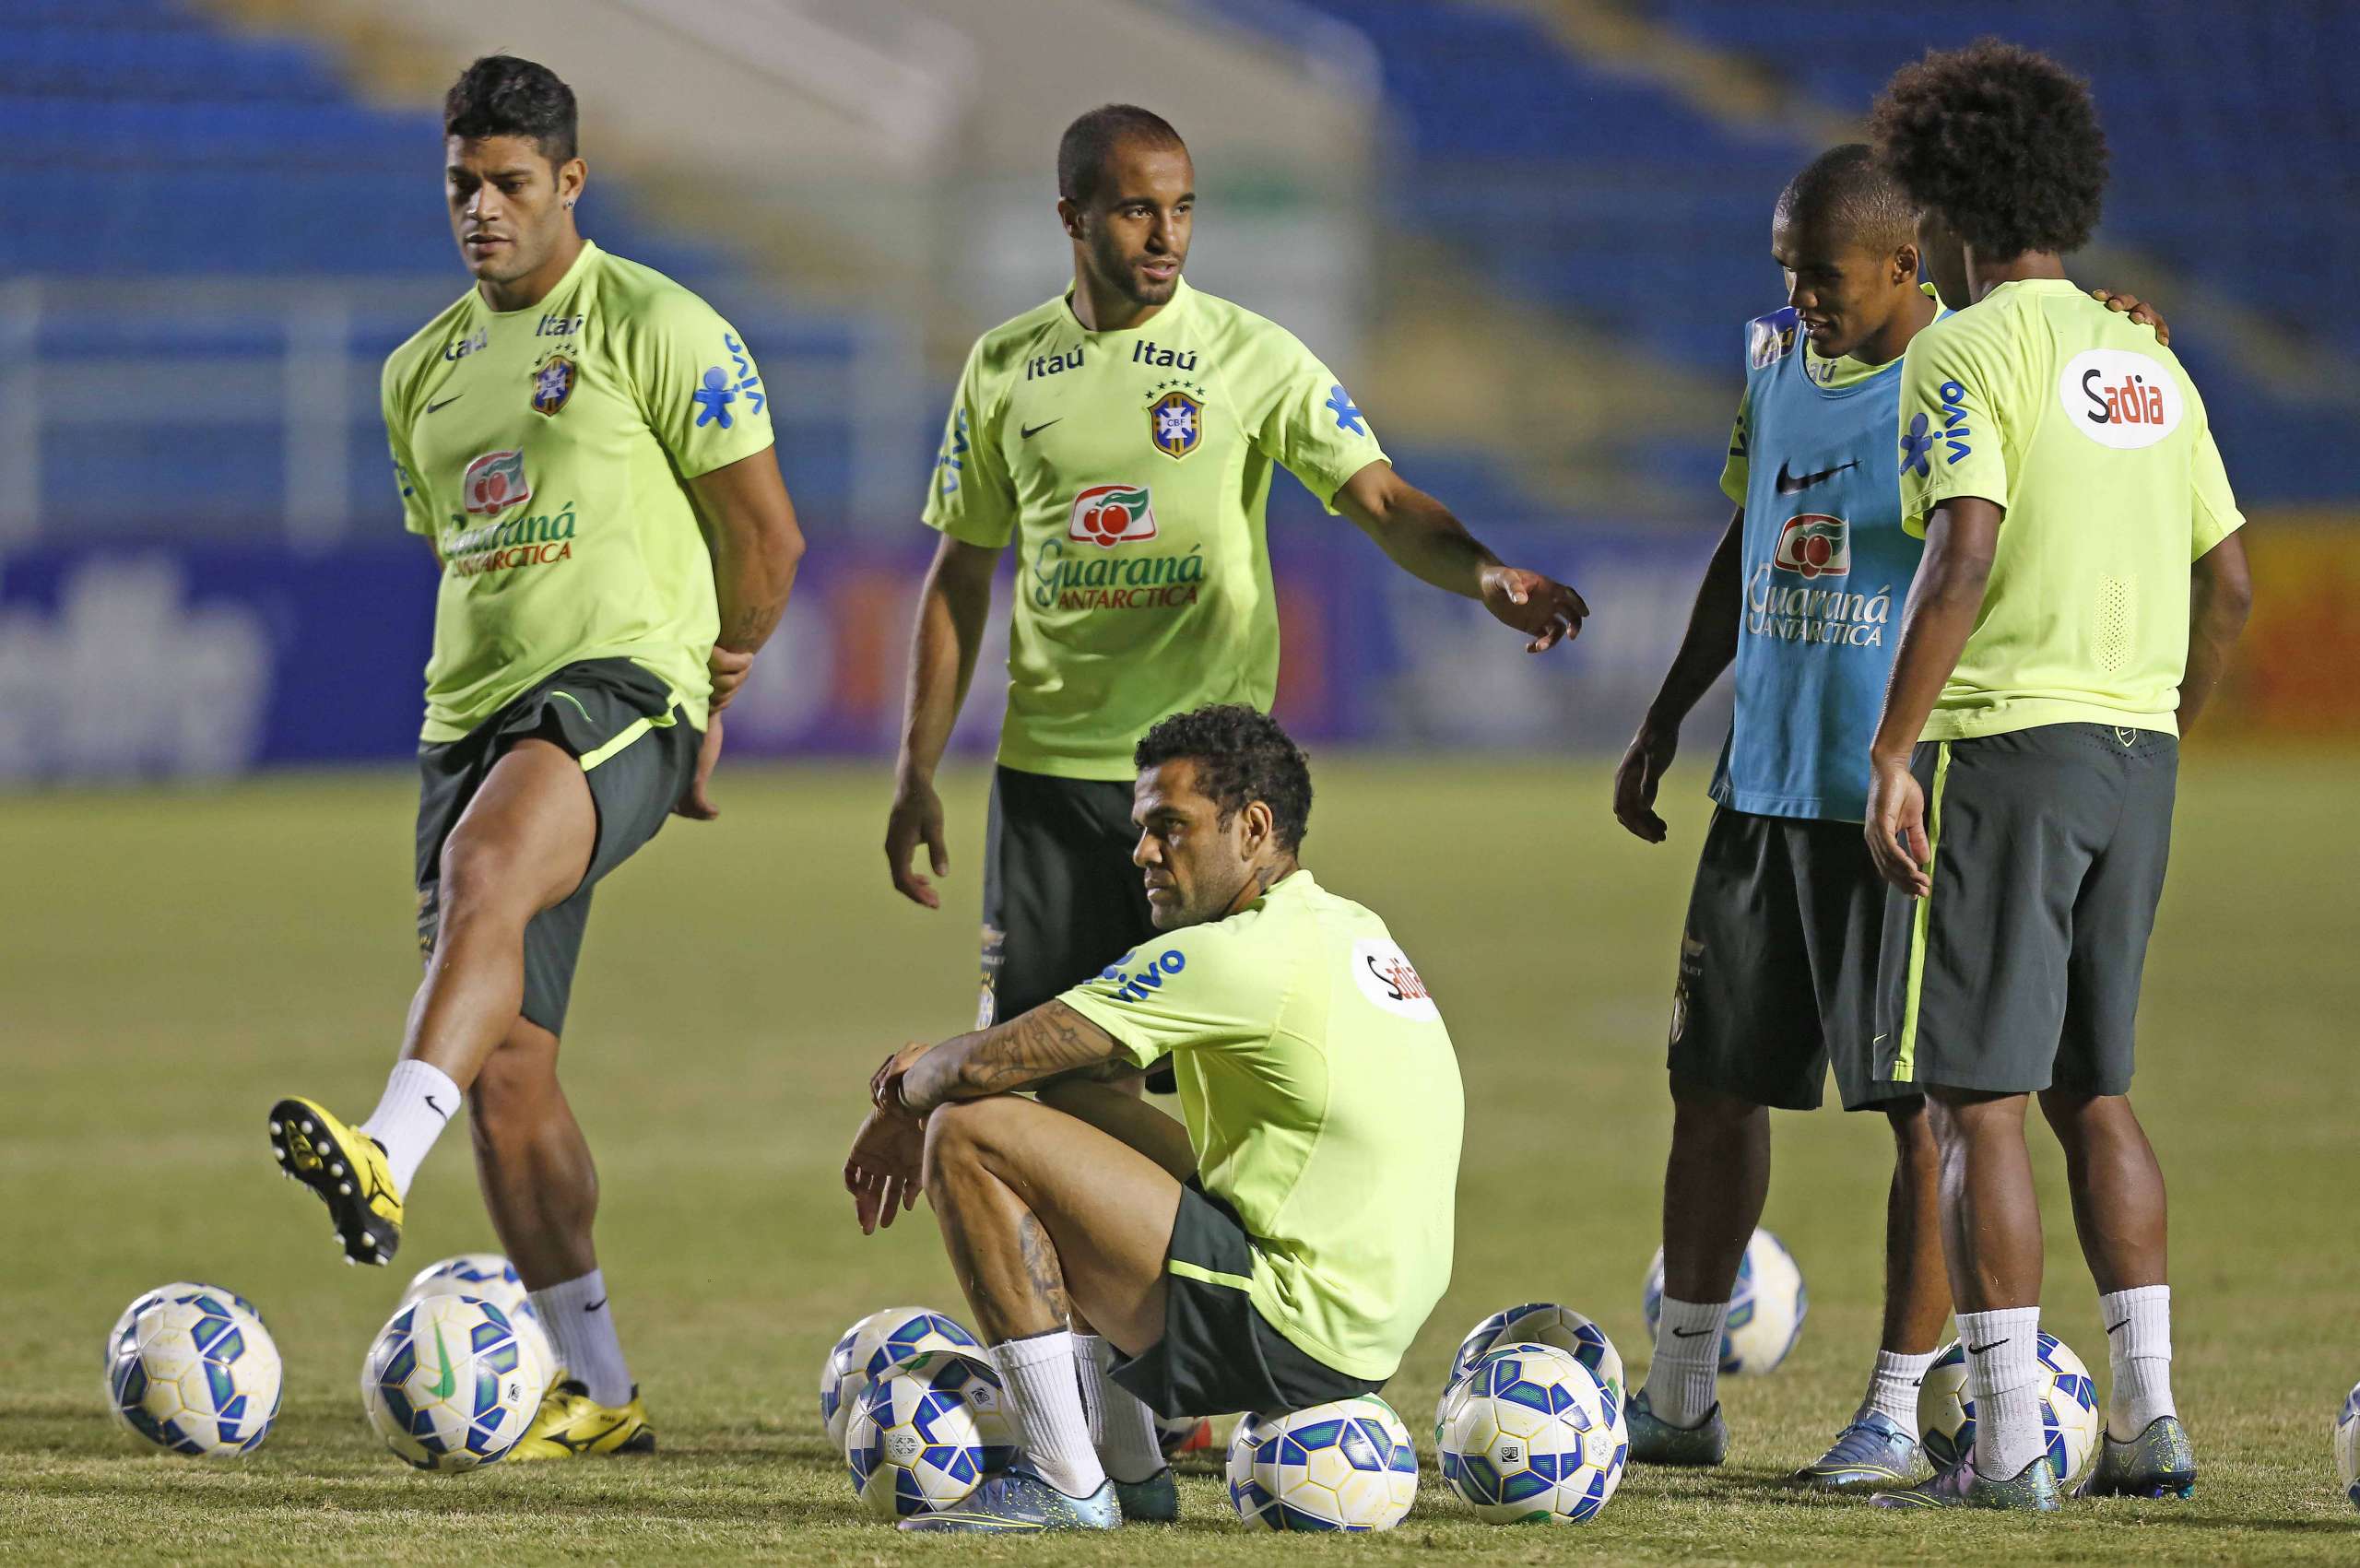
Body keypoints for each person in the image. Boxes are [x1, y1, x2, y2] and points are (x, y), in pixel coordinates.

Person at [263, 55, 804, 1460]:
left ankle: (383, 1150)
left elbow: (766, 535)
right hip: (467, 722)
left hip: (621, 686)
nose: (483, 209)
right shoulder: (417, 374)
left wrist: (717, 677)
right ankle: (600, 1385)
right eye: (462, 184)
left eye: (510, 183)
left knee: (489, 862)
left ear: (571, 179)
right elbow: (468, 551)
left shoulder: (658, 324)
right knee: (510, 1080)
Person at [1616, 146, 2169, 1486]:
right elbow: (1745, 544)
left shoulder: (1965, 370)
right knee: (1710, 1091)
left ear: (1904, 264)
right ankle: (1679, 1395)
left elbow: (1988, 535)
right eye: (1786, 270)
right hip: (1761, 788)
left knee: (1921, 1117)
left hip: (1893, 808)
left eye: (1821, 274)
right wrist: (1669, 712)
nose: (1798, 295)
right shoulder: (1771, 361)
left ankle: (1890, 1408)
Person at [1859, 41, 2250, 1510]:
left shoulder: (1962, 351)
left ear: (1951, 201)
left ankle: (2013, 1441)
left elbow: (1963, 551)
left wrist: (1893, 749)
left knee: (1979, 1103)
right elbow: (2230, 582)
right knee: (2099, 1090)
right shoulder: (2149, 358)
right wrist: (2160, 722)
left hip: (2004, 748)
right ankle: (2152, 1421)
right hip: (2133, 756)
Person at [846, 705, 1464, 1532]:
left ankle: (1065, 1480)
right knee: (1064, 1105)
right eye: (1142, 827)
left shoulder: (1229, 954)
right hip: (1365, 1323)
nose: (1141, 851)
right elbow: (1055, 1077)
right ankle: (1131, 1469)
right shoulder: (1350, 927)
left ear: (1253, 828)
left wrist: (901, 1094)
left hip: (1293, 1325)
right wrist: (945, 1082)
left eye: (1170, 826)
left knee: (967, 1131)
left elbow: (983, 1065)